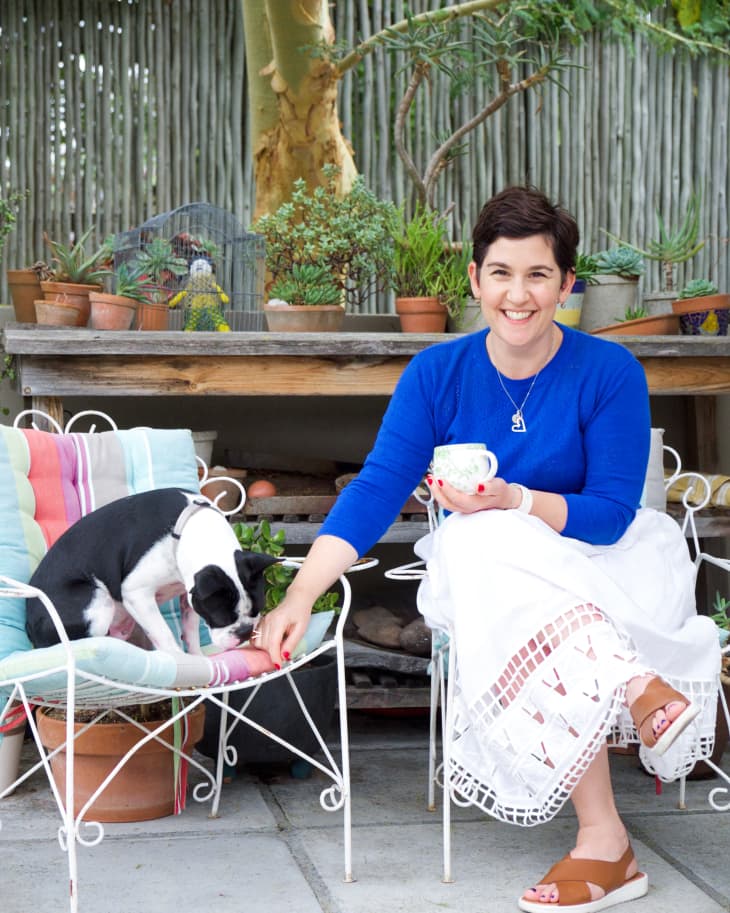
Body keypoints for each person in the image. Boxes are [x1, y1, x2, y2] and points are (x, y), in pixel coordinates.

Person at [255, 186, 720, 911]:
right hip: (492, 576)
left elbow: (610, 515)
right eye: (501, 272)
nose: (519, 294)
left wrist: (513, 499)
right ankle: (628, 720)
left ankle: (607, 842)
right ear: (474, 280)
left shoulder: (610, 372)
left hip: (610, 561)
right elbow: (377, 489)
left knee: (490, 532)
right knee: (478, 542)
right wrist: (300, 592)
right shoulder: (436, 374)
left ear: (567, 285)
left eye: (539, 275)